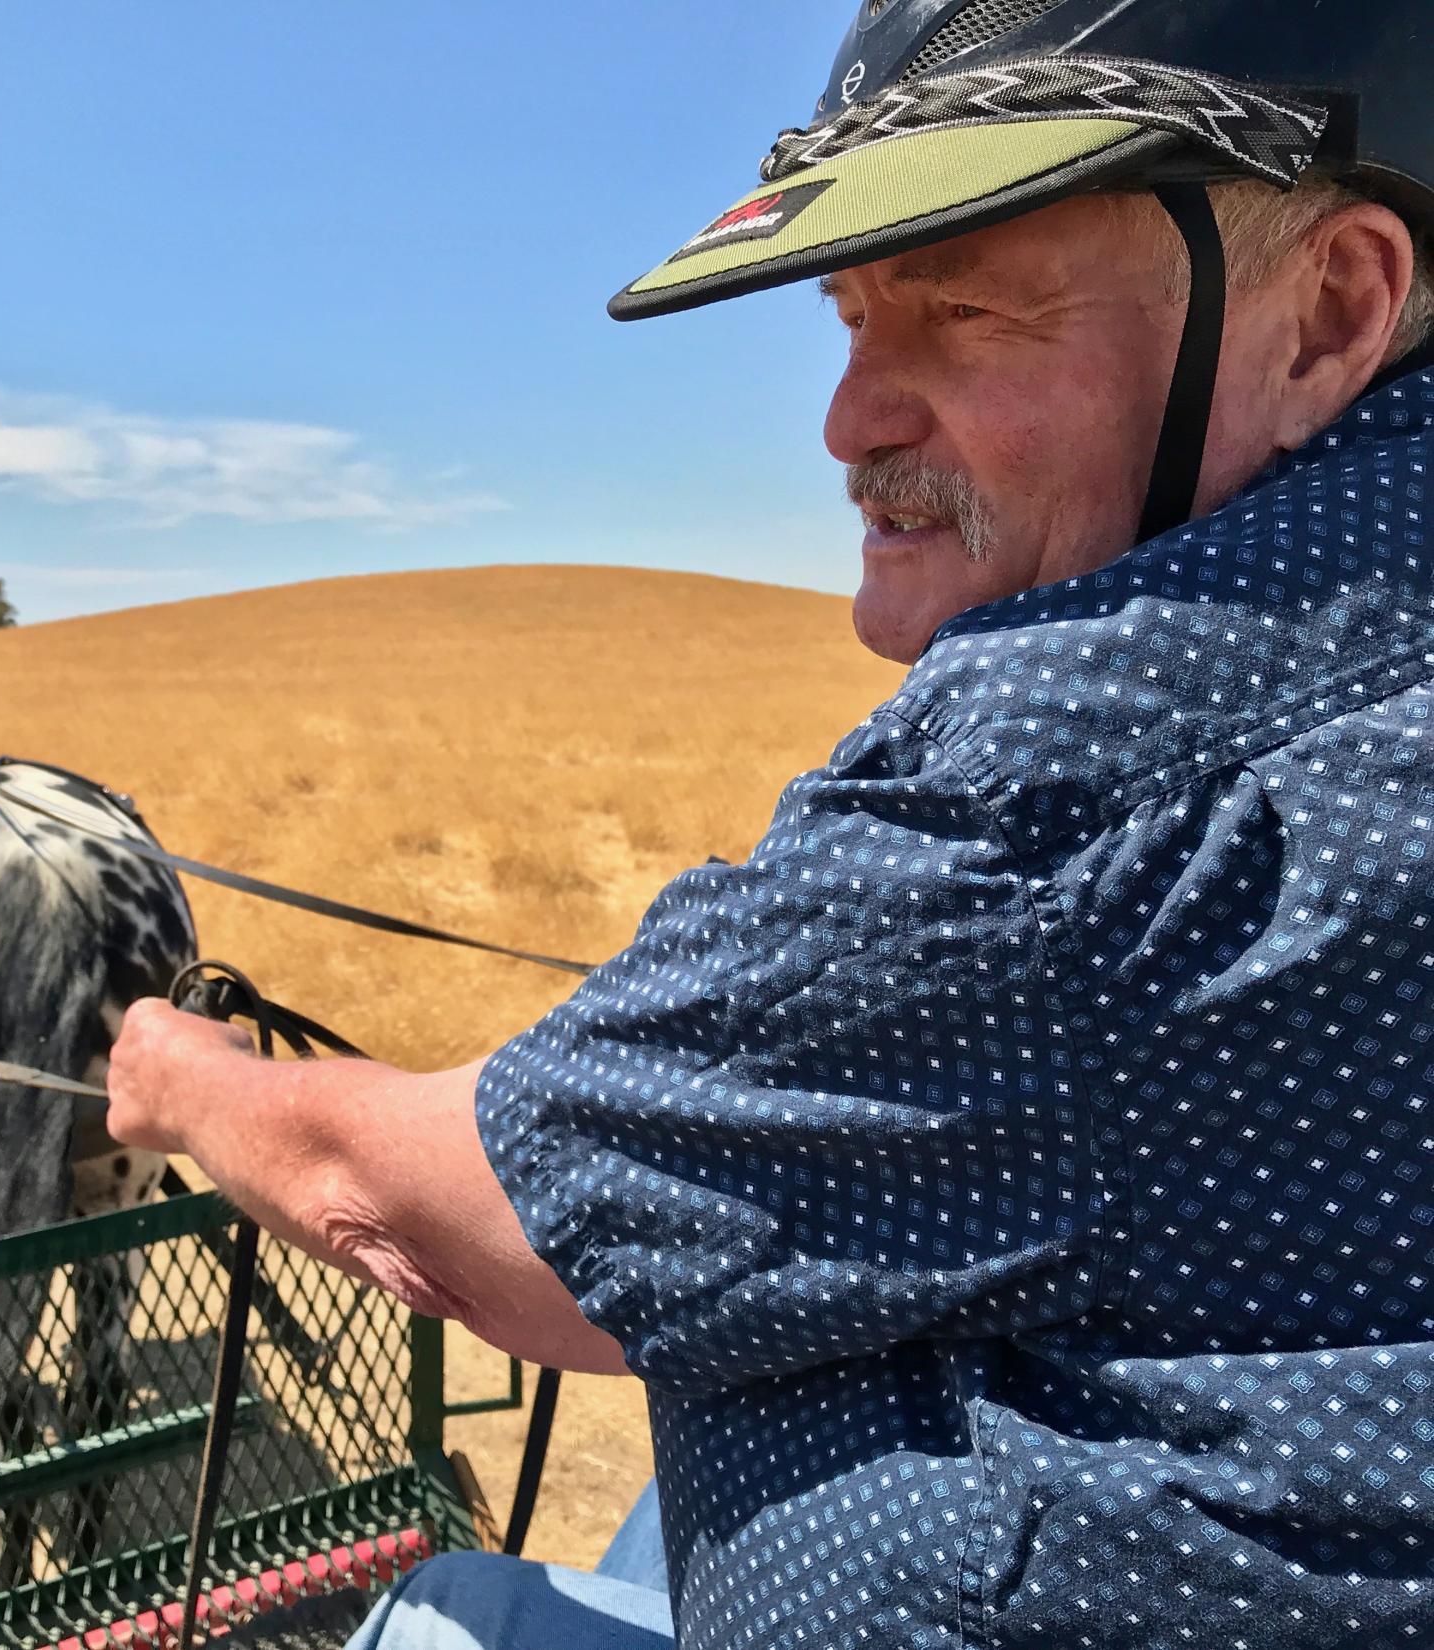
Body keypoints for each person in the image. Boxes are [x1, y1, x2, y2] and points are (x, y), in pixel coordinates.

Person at [110, 3, 1434, 1646]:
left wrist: (183, 1080)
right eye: (853, 316)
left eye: (962, 307)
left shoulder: (1100, 737)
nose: (852, 418)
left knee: (441, 1609)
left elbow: (461, 1226)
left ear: (1331, 312)